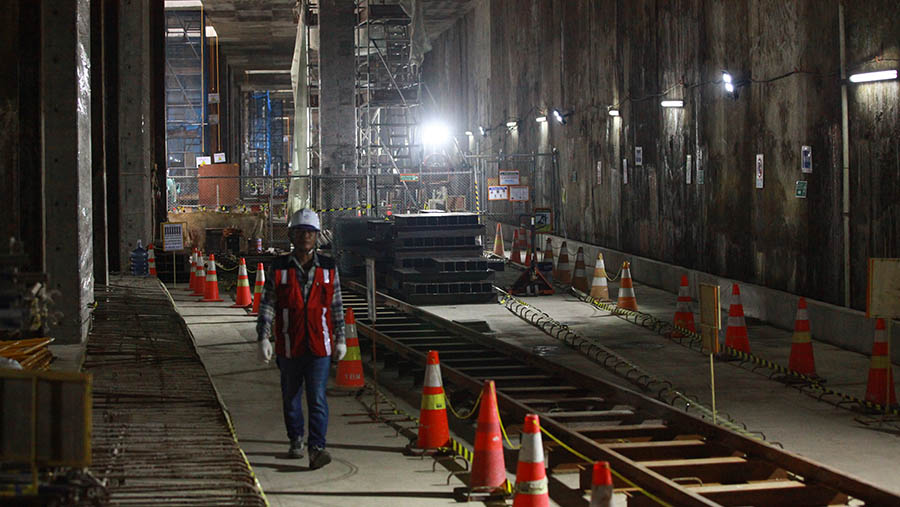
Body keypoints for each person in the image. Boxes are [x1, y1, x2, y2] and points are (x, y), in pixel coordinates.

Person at [256, 208, 346, 469]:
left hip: (319, 346)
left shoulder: (329, 268)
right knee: (291, 396)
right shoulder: (280, 267)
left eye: (310, 232)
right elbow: (267, 304)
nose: (305, 236)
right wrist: (263, 336)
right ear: (292, 235)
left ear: (316, 236)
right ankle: (296, 439)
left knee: (317, 397)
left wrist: (341, 339)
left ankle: (317, 447)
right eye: (300, 232)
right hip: (289, 344)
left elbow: (336, 306)